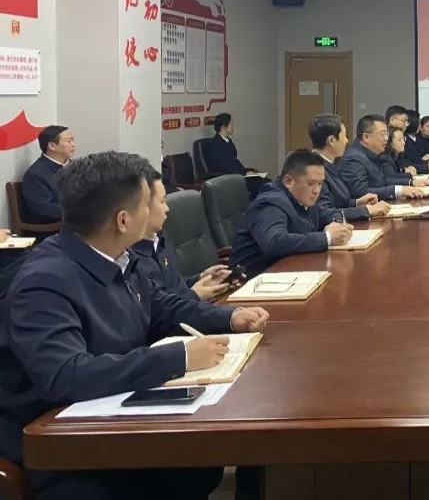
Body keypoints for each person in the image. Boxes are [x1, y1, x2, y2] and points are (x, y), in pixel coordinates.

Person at [0, 150, 269, 500]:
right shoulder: (45, 281)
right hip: (60, 445)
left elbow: (162, 306)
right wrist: (179, 358)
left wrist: (230, 317)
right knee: (190, 466)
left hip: (115, 415)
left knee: (200, 465)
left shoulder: (121, 259)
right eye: (148, 202)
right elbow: (65, 376)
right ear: (123, 220)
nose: (161, 209)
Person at [228, 150, 356, 276]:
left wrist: (336, 223)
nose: (317, 190)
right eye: (311, 183)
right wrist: (327, 238)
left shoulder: (302, 198)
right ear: (288, 181)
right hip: (253, 279)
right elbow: (274, 242)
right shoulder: (271, 203)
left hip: (289, 271)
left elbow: (326, 213)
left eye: (320, 183)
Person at [129, 167, 237, 302]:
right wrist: (194, 295)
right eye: (162, 202)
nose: (167, 209)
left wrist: (202, 278)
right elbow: (159, 309)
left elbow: (174, 286)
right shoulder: (133, 262)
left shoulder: (159, 243)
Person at [309, 113, 390, 222]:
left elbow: (337, 203)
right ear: (331, 140)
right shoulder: (315, 170)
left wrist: (357, 203)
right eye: (344, 136)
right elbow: (324, 212)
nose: (347, 141)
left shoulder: (329, 164)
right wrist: (366, 210)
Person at [339, 115, 427, 201]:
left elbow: (381, 181)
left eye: (387, 134)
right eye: (383, 134)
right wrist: (399, 191)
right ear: (366, 137)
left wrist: (410, 182)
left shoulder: (370, 154)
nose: (386, 139)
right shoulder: (353, 158)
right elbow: (360, 192)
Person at [21, 125, 75, 225]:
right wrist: (79, 211)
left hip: (76, 223)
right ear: (52, 146)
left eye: (73, 140)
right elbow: (45, 209)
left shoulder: (76, 166)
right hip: (51, 228)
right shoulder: (35, 174)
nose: (73, 144)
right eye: (69, 141)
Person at [203, 113, 266, 199]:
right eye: (230, 124)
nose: (233, 126)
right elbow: (225, 166)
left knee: (266, 182)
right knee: (263, 185)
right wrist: (244, 173)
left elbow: (234, 162)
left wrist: (247, 171)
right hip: (228, 178)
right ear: (223, 127)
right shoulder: (215, 145)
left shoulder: (228, 141)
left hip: (237, 175)